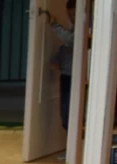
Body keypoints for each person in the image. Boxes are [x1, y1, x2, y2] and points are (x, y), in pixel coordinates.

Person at [48, 0, 77, 134]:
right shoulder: (73, 29)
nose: (72, 17)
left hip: (75, 77)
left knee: (71, 113)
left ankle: (75, 150)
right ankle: (71, 149)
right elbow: (67, 49)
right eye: (69, 14)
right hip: (66, 75)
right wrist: (56, 58)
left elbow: (70, 41)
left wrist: (54, 25)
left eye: (74, 13)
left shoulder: (84, 30)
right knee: (65, 114)